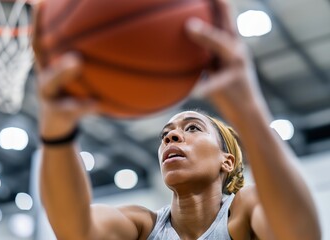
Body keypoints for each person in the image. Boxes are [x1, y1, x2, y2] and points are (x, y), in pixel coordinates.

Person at [34, 0, 321, 239]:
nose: (171, 137)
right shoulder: (141, 225)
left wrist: (248, 109)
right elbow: (75, 231)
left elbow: (301, 234)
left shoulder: (244, 211)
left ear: (227, 161)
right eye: (166, 134)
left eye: (192, 128)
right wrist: (57, 128)